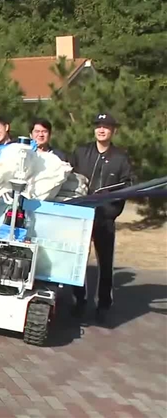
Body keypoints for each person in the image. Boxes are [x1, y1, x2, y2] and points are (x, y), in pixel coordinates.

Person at [68, 113, 133, 324]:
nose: (101, 130)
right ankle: (79, 300)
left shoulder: (120, 158)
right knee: (77, 260)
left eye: (106, 126)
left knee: (105, 264)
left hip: (105, 218)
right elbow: (68, 179)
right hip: (81, 217)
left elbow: (126, 187)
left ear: (113, 130)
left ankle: (103, 305)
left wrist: (111, 211)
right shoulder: (81, 152)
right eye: (98, 126)